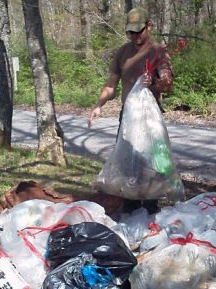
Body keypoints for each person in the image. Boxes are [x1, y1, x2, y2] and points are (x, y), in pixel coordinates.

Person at [88, 7, 174, 214]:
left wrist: (153, 80)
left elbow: (168, 83)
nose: (135, 36)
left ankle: (151, 209)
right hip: (127, 117)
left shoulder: (158, 52)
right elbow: (111, 84)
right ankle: (131, 208)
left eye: (139, 31)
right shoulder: (122, 53)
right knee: (128, 164)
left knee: (151, 165)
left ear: (149, 27)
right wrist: (99, 105)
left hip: (150, 118)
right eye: (131, 32)